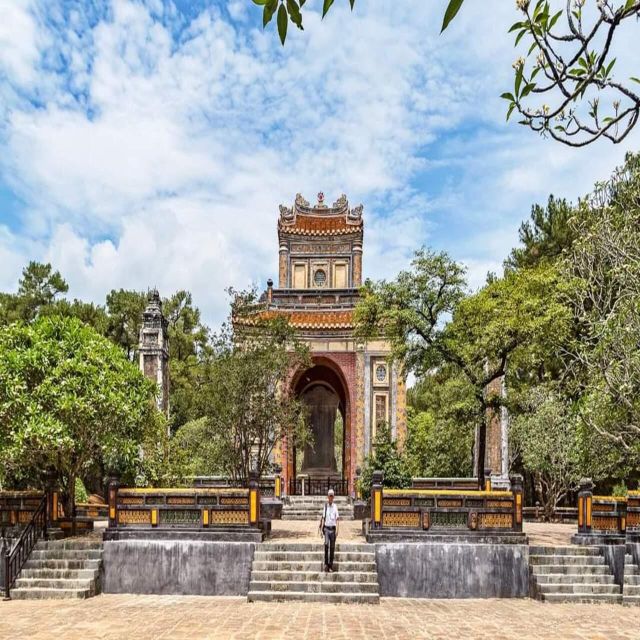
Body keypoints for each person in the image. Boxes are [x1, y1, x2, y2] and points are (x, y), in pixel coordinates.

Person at [319, 488, 339, 572]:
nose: (331, 497)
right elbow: (323, 518)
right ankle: (326, 563)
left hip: (333, 529)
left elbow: (337, 519)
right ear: (328, 497)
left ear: (333, 497)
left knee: (332, 547)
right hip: (326, 529)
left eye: (332, 496)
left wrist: (337, 530)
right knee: (326, 544)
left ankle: (330, 565)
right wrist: (321, 530)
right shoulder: (325, 506)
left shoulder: (335, 507)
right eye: (329, 496)